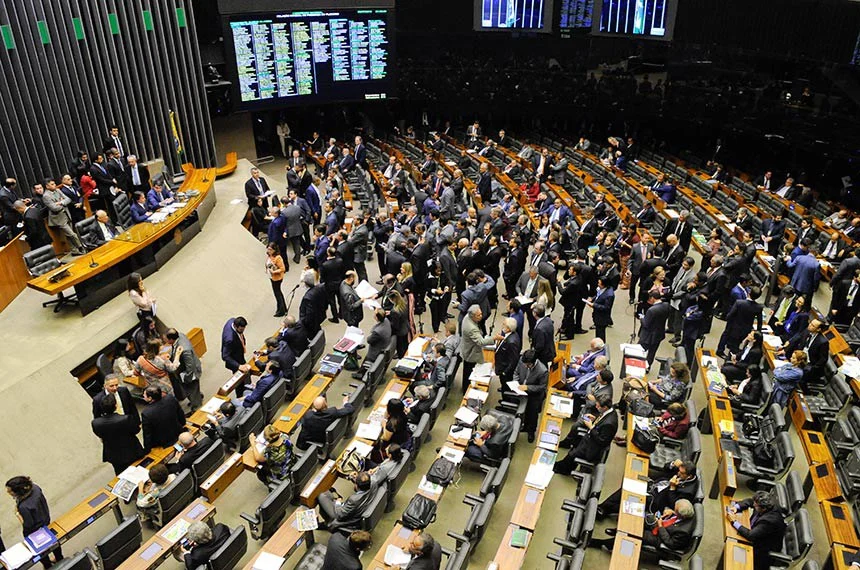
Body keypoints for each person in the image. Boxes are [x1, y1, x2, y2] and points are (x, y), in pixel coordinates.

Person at [597, 460, 698, 520]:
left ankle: (603, 509)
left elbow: (674, 505)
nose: (678, 474)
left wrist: (672, 488)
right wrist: (672, 464)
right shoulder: (682, 470)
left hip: (656, 500)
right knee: (627, 487)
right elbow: (666, 468)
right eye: (679, 471)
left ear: (689, 476)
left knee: (630, 501)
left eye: (681, 473)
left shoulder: (688, 492)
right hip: (654, 485)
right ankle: (603, 508)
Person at [5, 476, 63, 565]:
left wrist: (18, 515)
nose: (8, 492)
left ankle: (47, 565)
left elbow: (28, 525)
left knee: (40, 549)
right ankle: (59, 558)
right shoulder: (35, 488)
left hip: (35, 530)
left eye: (10, 491)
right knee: (53, 540)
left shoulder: (24, 507)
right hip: (45, 518)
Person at [553, 395, 617, 474]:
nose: (596, 407)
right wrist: (594, 419)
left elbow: (601, 441)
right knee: (574, 445)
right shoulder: (610, 410)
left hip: (593, 448)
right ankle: (563, 466)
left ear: (605, 407)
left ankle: (563, 470)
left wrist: (591, 427)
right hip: (589, 438)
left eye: (598, 406)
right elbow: (601, 424)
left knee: (573, 454)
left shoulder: (610, 424)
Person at [726, 491, 787, 570]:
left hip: (763, 548)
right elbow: (750, 501)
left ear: (763, 508)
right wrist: (736, 507)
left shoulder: (769, 521)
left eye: (756, 505)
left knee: (736, 559)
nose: (753, 505)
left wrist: (734, 522)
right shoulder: (766, 504)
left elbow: (751, 535)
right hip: (757, 532)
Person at [91, 393, 145, 474]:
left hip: (114, 455)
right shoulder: (126, 419)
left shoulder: (96, 423)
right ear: (116, 406)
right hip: (132, 451)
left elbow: (99, 435)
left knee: (121, 474)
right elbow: (136, 430)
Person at [510, 350, 548, 443]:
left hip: (535, 396)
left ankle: (531, 431)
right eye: (525, 364)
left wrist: (527, 387)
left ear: (533, 362)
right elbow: (516, 372)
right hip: (521, 390)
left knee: (532, 414)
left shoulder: (542, 370)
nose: (526, 366)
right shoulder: (522, 360)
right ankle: (525, 426)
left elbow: (542, 387)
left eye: (528, 365)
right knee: (524, 411)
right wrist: (516, 382)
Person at [42, 178, 85, 255]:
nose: (55, 185)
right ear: (47, 186)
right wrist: (63, 203)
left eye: (54, 183)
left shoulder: (57, 190)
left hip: (67, 214)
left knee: (69, 235)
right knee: (72, 234)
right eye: (52, 184)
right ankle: (81, 246)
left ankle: (74, 250)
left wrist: (60, 202)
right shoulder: (46, 196)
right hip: (59, 218)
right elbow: (54, 208)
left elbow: (68, 199)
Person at [164, 328, 203, 410]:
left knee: (191, 388)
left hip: (189, 373)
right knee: (192, 389)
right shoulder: (180, 335)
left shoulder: (185, 350)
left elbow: (190, 366)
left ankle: (196, 407)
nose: (164, 340)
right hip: (183, 369)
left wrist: (187, 378)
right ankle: (197, 397)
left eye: (165, 338)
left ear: (171, 339)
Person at [140, 386, 185, 452]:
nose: (143, 396)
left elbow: (147, 434)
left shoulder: (146, 413)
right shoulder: (170, 398)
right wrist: (183, 425)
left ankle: (180, 450)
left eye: (144, 395)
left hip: (163, 441)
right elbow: (180, 414)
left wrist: (147, 449)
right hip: (178, 431)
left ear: (150, 398)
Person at [460, 305, 493, 393]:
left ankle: (465, 388)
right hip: (471, 353)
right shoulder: (471, 328)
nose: (481, 316)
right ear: (472, 316)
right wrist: (494, 339)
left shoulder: (467, 317)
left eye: (481, 314)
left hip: (466, 348)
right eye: (478, 315)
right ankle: (466, 391)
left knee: (466, 371)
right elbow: (481, 342)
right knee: (469, 373)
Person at [353, 309, 392, 380]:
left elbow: (369, 340)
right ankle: (361, 371)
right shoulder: (386, 321)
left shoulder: (378, 332)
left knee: (367, 358)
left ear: (377, 317)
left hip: (376, 351)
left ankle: (362, 374)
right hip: (385, 345)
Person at [370, 399, 411, 465]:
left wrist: (384, 425)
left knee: (375, 445)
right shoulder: (403, 415)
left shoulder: (392, 423)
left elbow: (386, 438)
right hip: (404, 437)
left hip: (395, 443)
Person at [639, 291, 670, 367]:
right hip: (659, 334)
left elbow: (646, 324)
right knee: (652, 353)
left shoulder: (651, 310)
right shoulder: (666, 305)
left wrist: (642, 318)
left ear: (652, 298)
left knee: (639, 350)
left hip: (648, 336)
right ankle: (647, 367)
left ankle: (638, 366)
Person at [588, 277, 615, 342]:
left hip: (602, 318)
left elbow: (606, 307)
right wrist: (592, 299)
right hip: (597, 315)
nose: (598, 284)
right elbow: (598, 296)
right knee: (598, 333)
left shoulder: (609, 295)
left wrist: (594, 305)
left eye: (599, 283)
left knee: (601, 334)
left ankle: (600, 346)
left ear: (604, 285)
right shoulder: (602, 289)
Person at [264, 243, 287, 317]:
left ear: (274, 250)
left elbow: (282, 268)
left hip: (277, 278)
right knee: (278, 292)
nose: (269, 251)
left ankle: (281, 310)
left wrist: (274, 272)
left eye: (270, 249)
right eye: (268, 249)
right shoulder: (269, 256)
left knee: (277, 293)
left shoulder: (278, 258)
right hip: (272, 277)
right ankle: (283, 308)